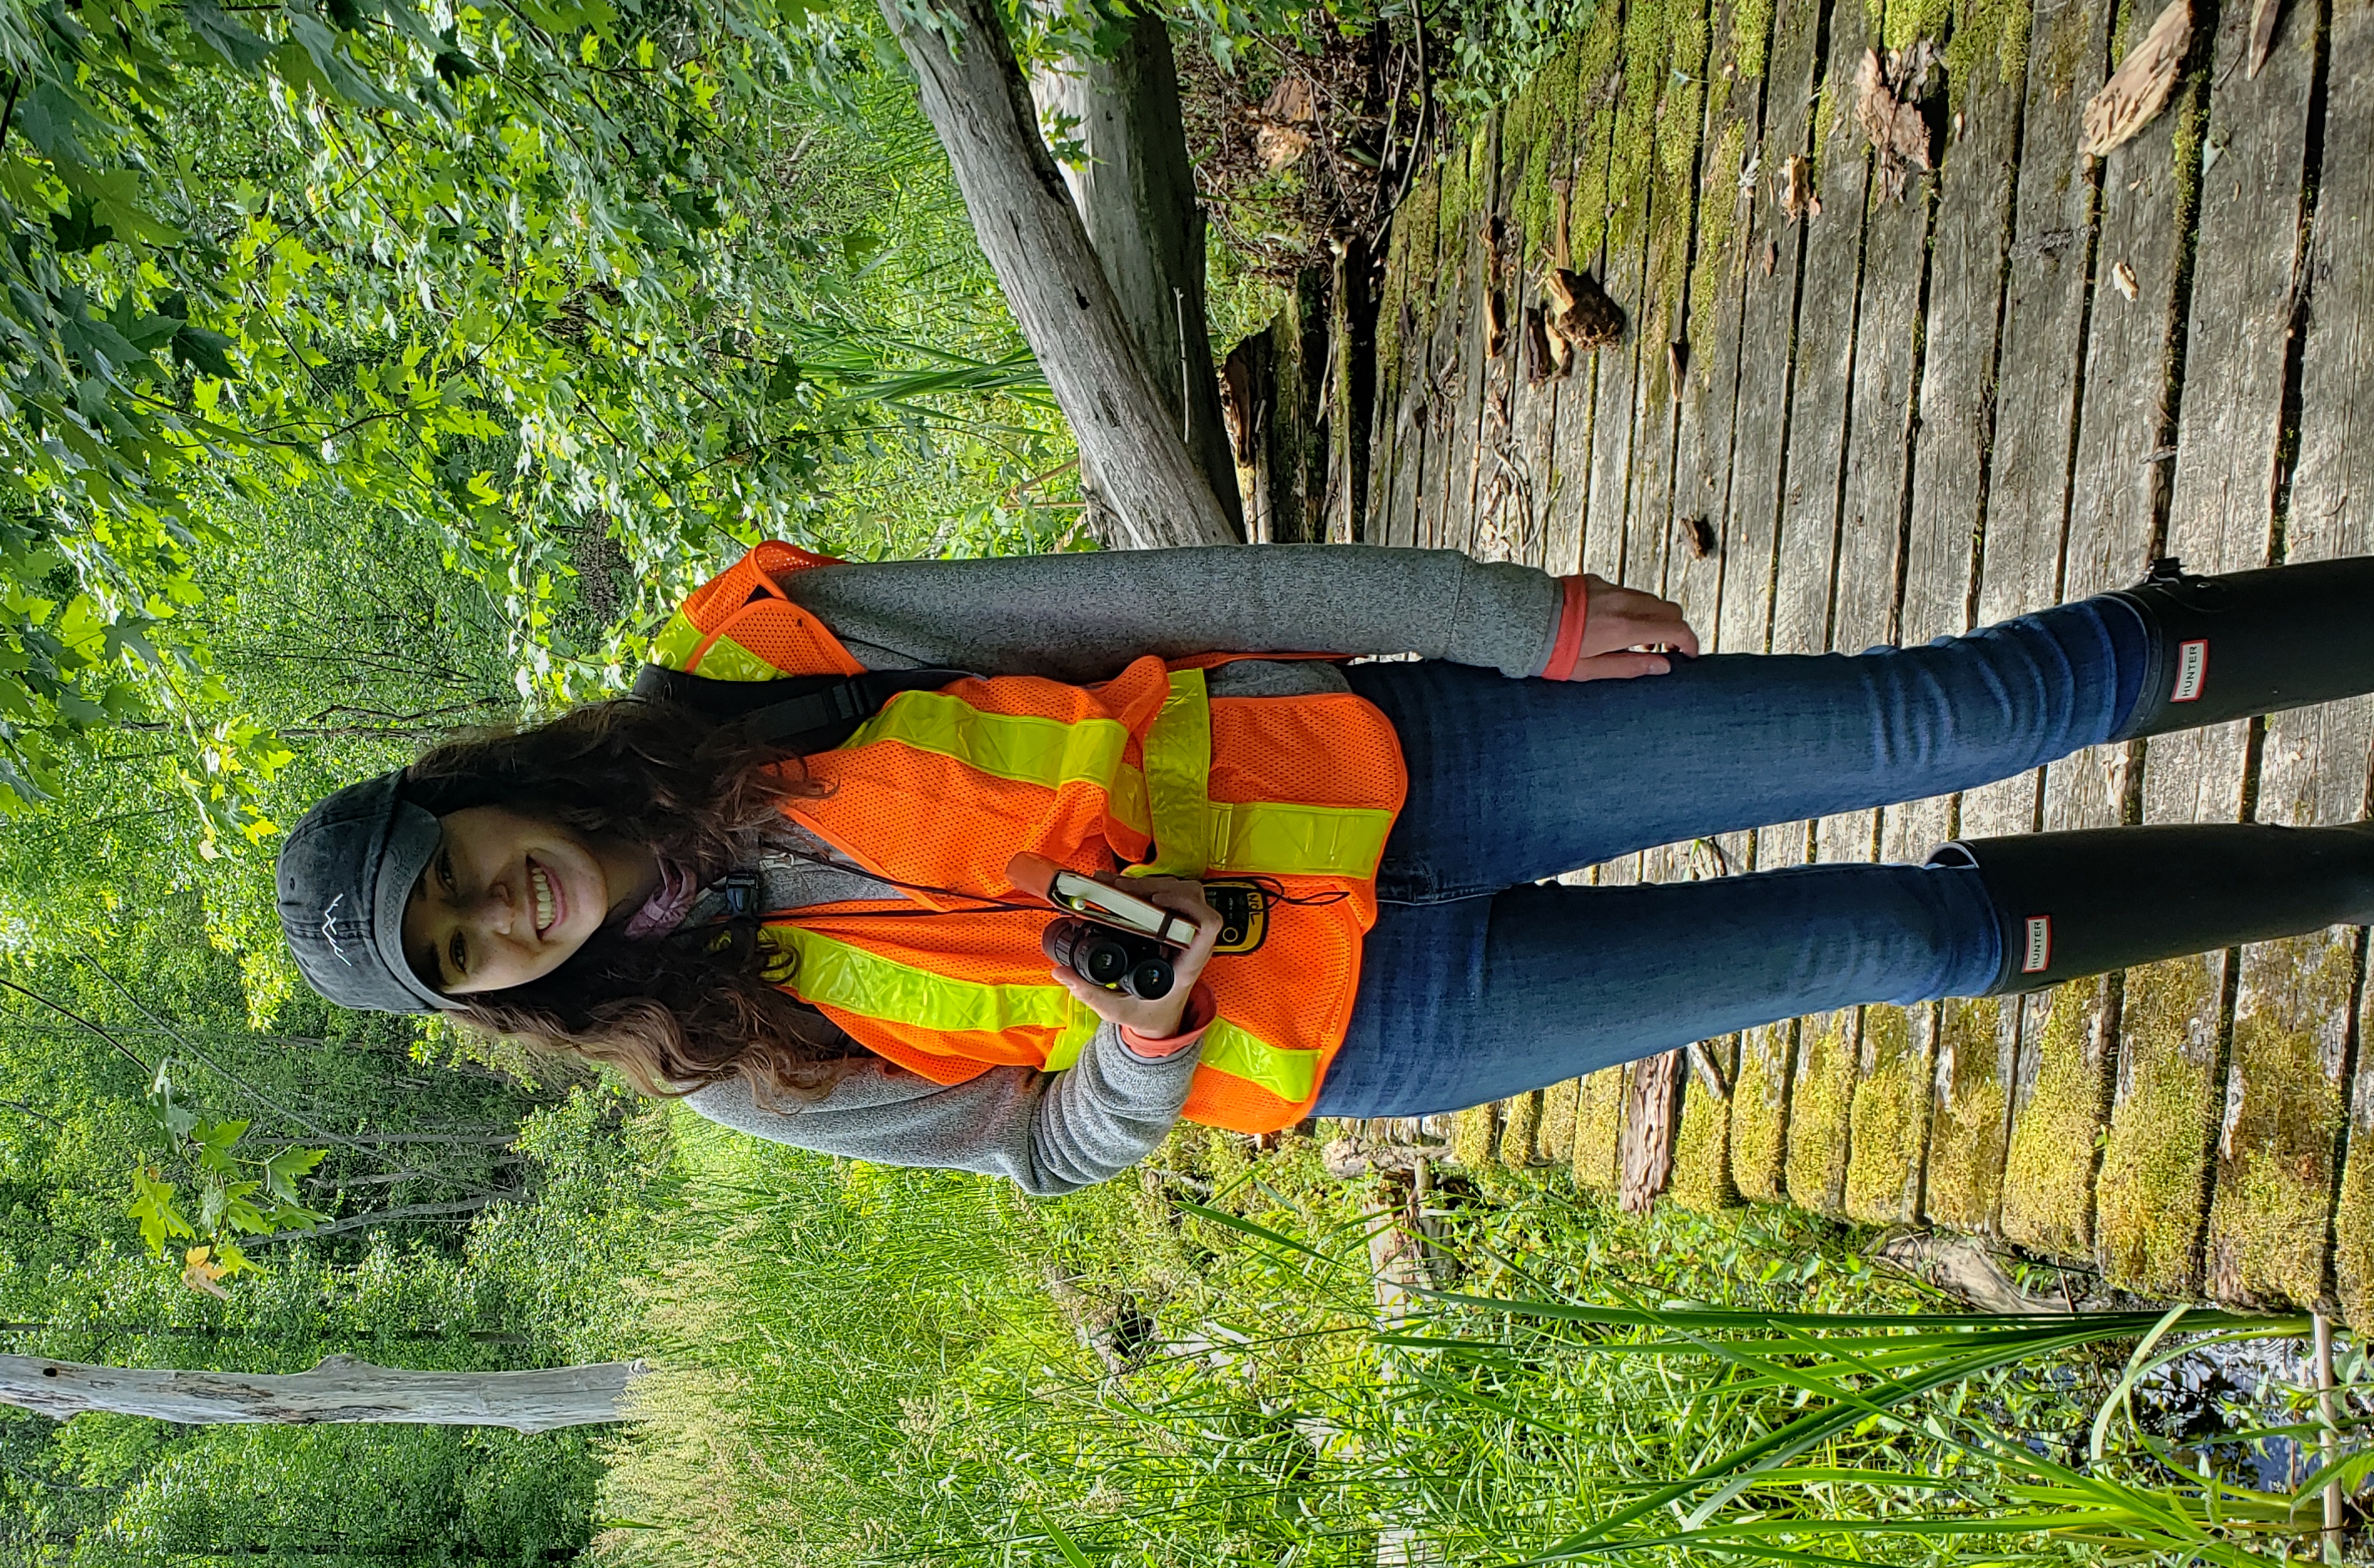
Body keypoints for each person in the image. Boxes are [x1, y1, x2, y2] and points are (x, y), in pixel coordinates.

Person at [275, 539, 2374, 1192]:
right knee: (1901, 936)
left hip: (1426, 759)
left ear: (459, 795)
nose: (494, 916)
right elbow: (1041, 1149)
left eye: (446, 875)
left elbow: (1144, 596)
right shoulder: (723, 1053)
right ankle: (2362, 872)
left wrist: (1500, 616)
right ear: (490, 1001)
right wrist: (1149, 1044)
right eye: (458, 956)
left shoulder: (766, 666)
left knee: (1946, 712)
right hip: (1386, 1026)